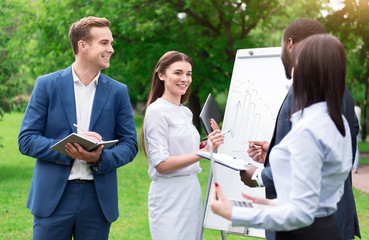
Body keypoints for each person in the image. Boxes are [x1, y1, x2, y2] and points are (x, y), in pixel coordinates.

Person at [210, 33, 353, 240]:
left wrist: (233, 212)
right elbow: (323, 196)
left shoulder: (309, 129)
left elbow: (302, 213)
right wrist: (274, 204)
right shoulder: (336, 122)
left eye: (296, 63)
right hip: (324, 229)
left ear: (306, 71)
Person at [18, 16, 138, 240]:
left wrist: (99, 159)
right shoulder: (47, 85)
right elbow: (26, 139)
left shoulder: (118, 91)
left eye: (111, 43)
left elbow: (130, 145)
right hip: (53, 199)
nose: (111, 49)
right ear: (82, 45)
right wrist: (69, 148)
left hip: (98, 200)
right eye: (104, 43)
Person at [141, 51, 224, 240]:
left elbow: (186, 150)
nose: (185, 79)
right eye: (178, 73)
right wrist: (203, 151)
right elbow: (161, 164)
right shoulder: (156, 111)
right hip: (169, 196)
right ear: (161, 75)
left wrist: (211, 143)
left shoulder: (185, 112)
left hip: (191, 191)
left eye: (189, 74)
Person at [353, 105, 361, 173]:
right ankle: (355, 167)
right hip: (358, 129)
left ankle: (353, 165)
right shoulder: (359, 109)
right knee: (356, 147)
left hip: (352, 128)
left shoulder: (352, 108)